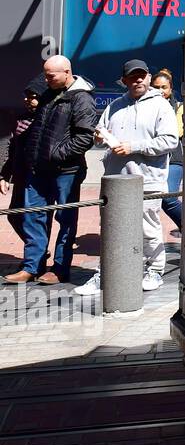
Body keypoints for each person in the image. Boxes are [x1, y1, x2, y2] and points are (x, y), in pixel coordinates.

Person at [75, 59, 179, 295]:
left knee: (148, 228)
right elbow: (101, 132)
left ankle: (155, 270)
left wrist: (134, 146)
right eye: (133, 76)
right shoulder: (114, 106)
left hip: (148, 179)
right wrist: (99, 138)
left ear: (150, 77)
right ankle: (105, 273)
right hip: (115, 180)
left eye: (142, 75)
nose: (138, 80)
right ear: (124, 81)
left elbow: (170, 141)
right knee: (110, 228)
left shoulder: (161, 106)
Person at [3, 56, 97, 285]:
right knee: (32, 216)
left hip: (66, 171)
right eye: (45, 74)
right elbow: (37, 129)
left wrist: (56, 154)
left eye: (51, 75)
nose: (46, 79)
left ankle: (60, 269)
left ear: (67, 72)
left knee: (65, 219)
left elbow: (85, 137)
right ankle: (32, 266)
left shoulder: (82, 98)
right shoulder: (47, 94)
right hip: (39, 170)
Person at [0, 77, 48, 247]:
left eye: (32, 96)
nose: (27, 100)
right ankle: (36, 250)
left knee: (35, 217)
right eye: (26, 96)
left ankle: (36, 255)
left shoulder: (46, 119)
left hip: (39, 177)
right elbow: (12, 149)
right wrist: (4, 176)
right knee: (14, 215)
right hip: (21, 175)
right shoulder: (21, 119)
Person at [151, 69, 184, 234]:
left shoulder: (179, 108)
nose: (160, 91)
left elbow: (178, 133)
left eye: (164, 87)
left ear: (171, 88)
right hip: (150, 160)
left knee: (168, 198)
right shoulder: (144, 106)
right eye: (156, 87)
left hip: (173, 159)